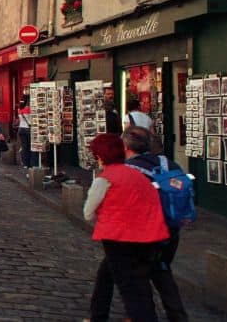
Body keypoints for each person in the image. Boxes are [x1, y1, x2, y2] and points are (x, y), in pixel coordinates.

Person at [87, 127, 189, 322]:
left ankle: (105, 315)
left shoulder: (129, 169)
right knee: (161, 272)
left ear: (124, 146)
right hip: (170, 228)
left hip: (136, 233)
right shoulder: (168, 163)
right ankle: (177, 317)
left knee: (127, 280)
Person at [17, 97, 36, 168]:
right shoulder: (29, 109)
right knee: (31, 146)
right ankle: (32, 163)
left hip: (21, 128)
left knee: (24, 146)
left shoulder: (19, 109)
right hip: (28, 129)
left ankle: (25, 164)